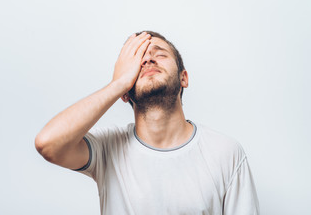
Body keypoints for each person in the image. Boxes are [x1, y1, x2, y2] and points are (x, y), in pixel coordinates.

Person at [35, 31, 260, 214]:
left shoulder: (226, 153)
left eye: (159, 54)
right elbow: (48, 143)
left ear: (184, 78)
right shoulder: (108, 149)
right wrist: (118, 83)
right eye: (138, 59)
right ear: (124, 93)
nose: (148, 59)